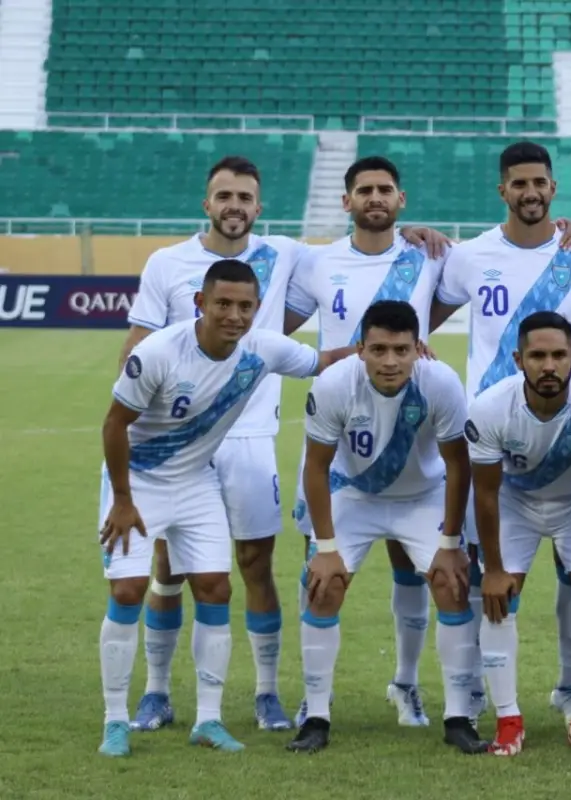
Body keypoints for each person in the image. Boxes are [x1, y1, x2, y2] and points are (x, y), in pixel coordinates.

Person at [118, 156, 449, 733]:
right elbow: (136, 350)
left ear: (258, 206)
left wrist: (409, 239)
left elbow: (357, 272)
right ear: (207, 203)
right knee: (168, 566)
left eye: (245, 197)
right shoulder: (167, 263)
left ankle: (269, 694)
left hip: (251, 435)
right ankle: (155, 692)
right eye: (225, 196)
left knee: (255, 564)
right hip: (179, 442)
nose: (235, 206)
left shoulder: (290, 255)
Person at [96, 259, 353, 758]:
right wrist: (123, 500)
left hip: (195, 483)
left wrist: (374, 351)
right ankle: (115, 721)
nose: (234, 316)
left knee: (215, 587)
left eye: (245, 307)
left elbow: (321, 362)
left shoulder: (262, 349)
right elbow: (113, 425)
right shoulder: (157, 354)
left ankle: (208, 720)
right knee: (127, 590)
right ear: (201, 304)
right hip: (138, 482)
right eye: (223, 304)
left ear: (257, 309)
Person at [432, 141, 571, 723]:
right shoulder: (468, 257)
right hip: (492, 441)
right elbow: (423, 318)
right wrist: (415, 237)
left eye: (539, 182)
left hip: (567, 445)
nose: (530, 192)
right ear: (502, 191)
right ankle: (468, 695)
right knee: (478, 579)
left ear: (553, 188)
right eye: (519, 184)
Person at [284, 155, 451, 729]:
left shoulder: (428, 255)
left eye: (385, 190)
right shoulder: (317, 262)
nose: (374, 198)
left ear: (401, 200)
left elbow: (442, 306)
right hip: (343, 441)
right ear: (346, 200)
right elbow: (280, 326)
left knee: (414, 571)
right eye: (364, 190)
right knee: (321, 576)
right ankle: (315, 699)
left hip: (408, 436)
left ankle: (406, 685)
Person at [291, 300, 487, 754]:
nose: (390, 361)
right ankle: (316, 715)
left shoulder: (440, 383)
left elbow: (459, 465)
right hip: (353, 493)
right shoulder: (335, 383)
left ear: (419, 348)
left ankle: (458, 717)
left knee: (452, 584)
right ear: (360, 349)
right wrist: (325, 547)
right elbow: (316, 468)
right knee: (325, 585)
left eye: (401, 350)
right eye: (378, 349)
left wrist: (451, 543)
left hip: (422, 495)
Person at [464, 311, 571, 756]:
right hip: (515, 503)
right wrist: (493, 568)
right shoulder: (491, 407)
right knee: (499, 598)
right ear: (518, 359)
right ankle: (509, 720)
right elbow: (487, 494)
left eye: (558, 355)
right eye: (538, 356)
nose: (549, 365)